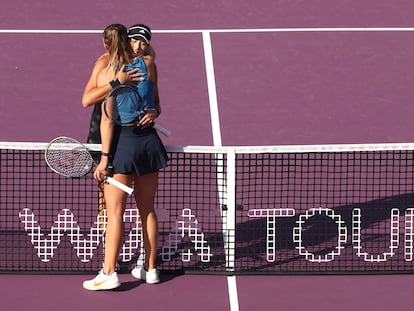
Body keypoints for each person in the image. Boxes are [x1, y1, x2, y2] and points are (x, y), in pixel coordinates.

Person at [82, 24, 168, 291]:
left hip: (123, 147)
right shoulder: (148, 65)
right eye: (135, 41)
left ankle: (109, 273)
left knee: (114, 214)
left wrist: (105, 160)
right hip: (150, 144)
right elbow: (155, 102)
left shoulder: (111, 72)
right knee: (147, 210)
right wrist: (152, 111)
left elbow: (106, 122)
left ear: (109, 45)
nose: (140, 45)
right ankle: (151, 269)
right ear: (128, 42)